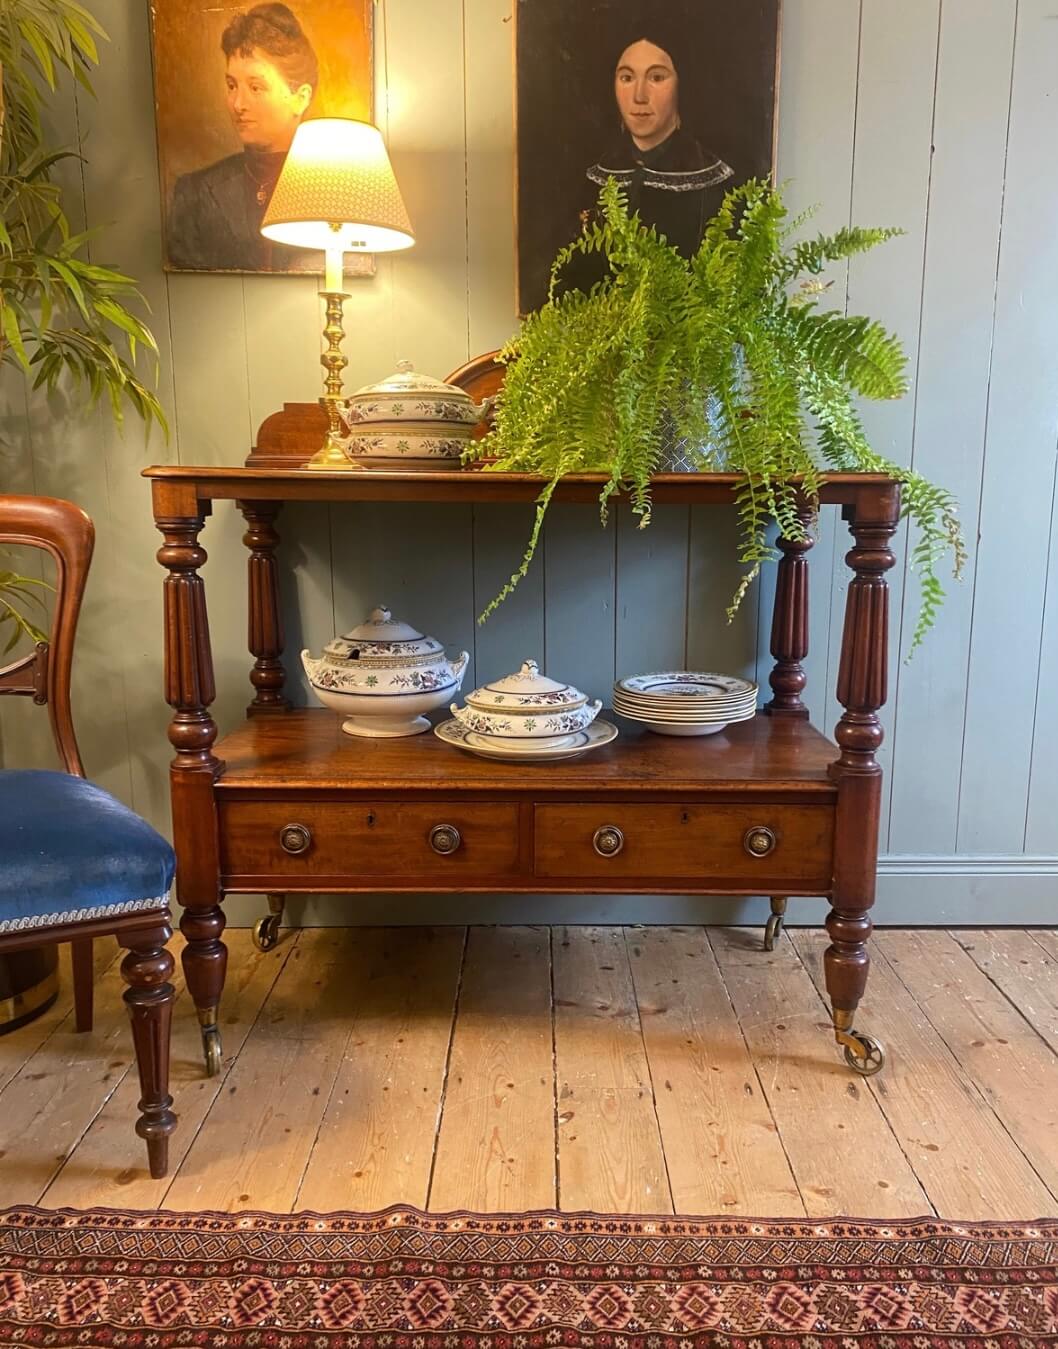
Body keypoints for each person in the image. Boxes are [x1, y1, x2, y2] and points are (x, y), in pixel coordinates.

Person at [557, 19, 733, 296]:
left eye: (657, 77)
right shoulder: (592, 181)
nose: (639, 96)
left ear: (681, 85)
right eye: (627, 78)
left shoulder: (716, 186)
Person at [166, 3, 318, 272]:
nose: (237, 103)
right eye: (232, 85)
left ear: (300, 98)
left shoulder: (331, 191)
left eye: (256, 87)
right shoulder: (195, 194)